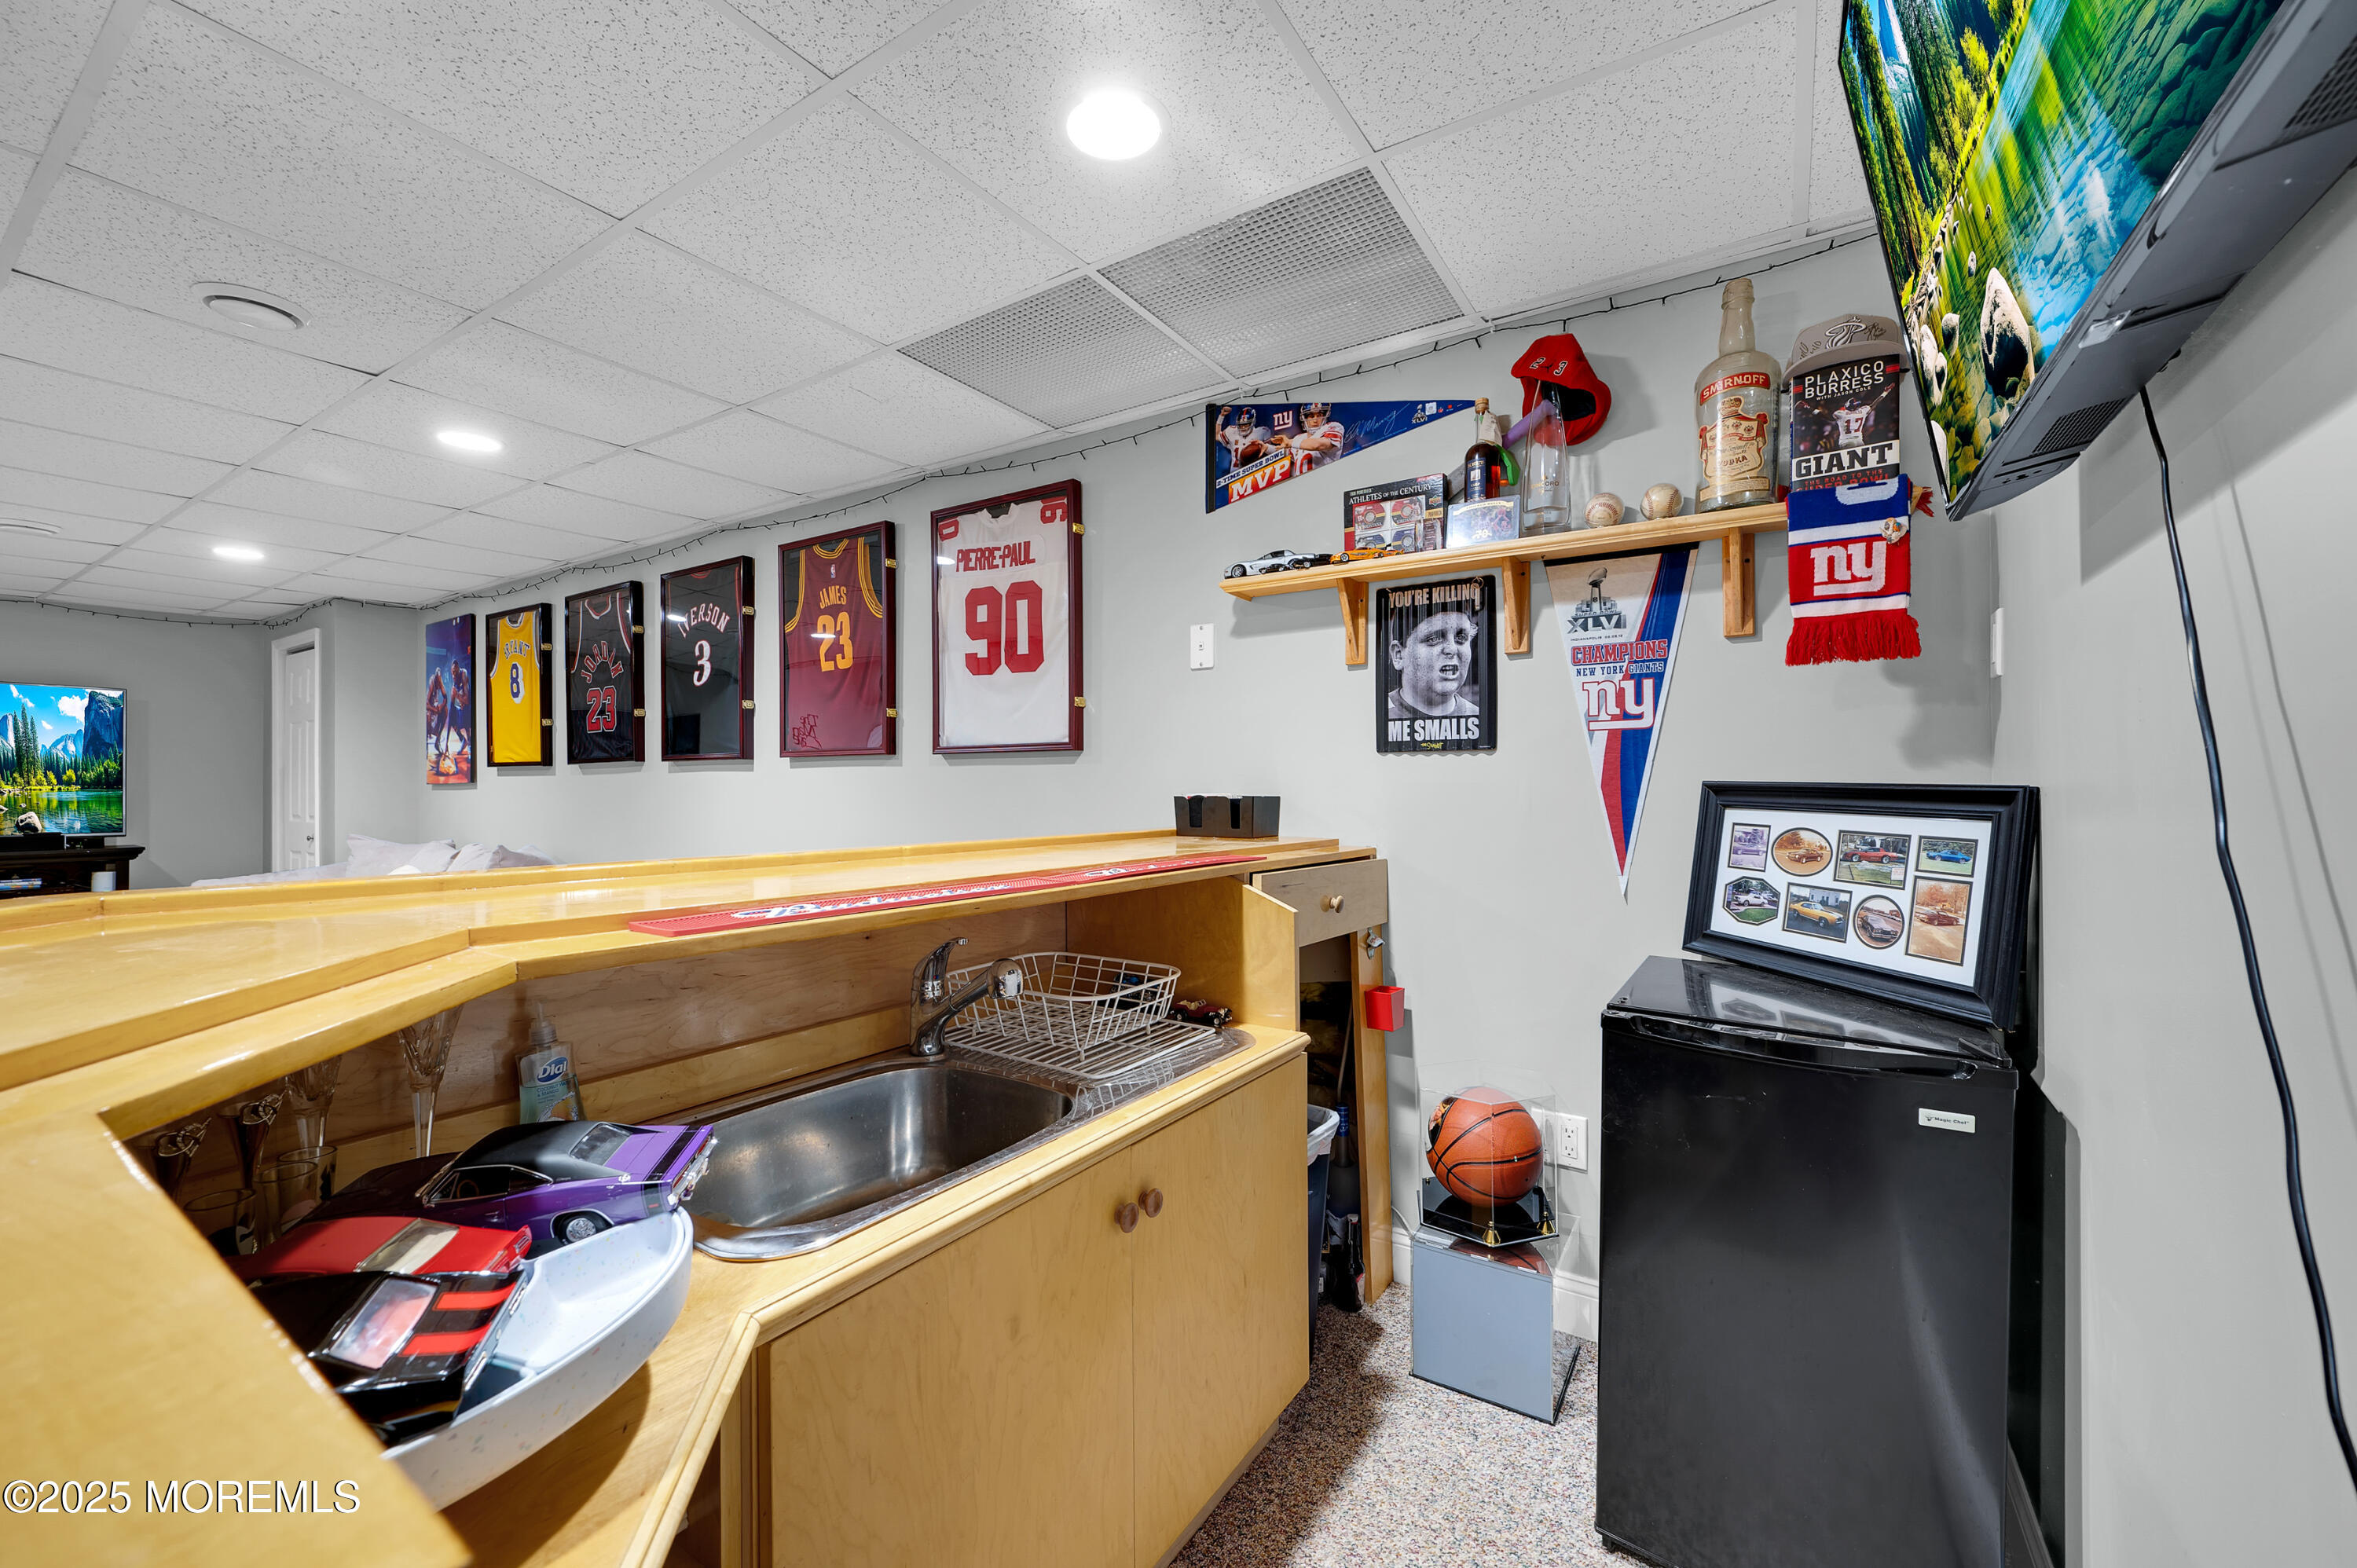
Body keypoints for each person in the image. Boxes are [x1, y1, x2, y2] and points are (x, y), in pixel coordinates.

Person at [1386, 605, 1479, 719]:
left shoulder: (1479, 718)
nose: (1452, 649)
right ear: (1399, 655)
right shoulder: (1375, 716)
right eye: (1433, 639)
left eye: (1461, 638)